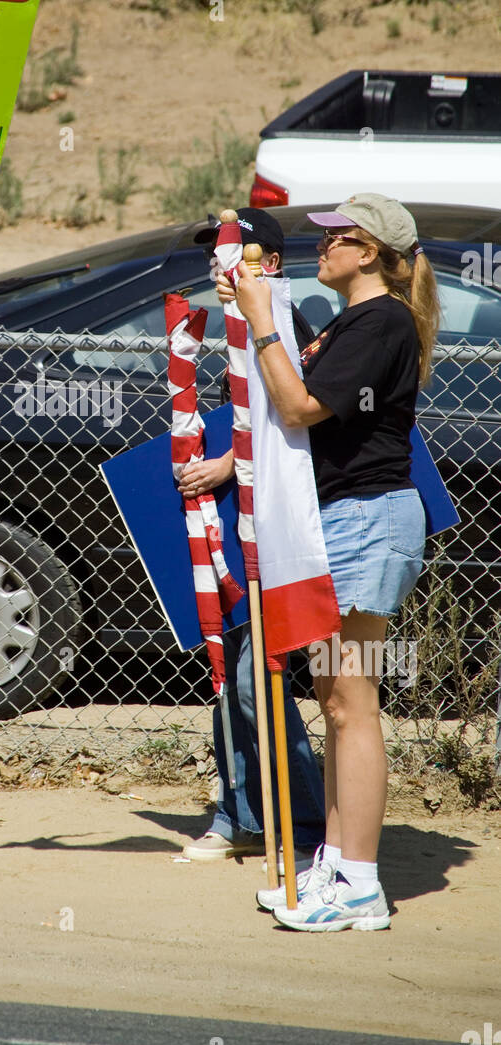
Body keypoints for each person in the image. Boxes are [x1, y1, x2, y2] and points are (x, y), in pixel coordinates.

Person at [217, 193, 440, 931]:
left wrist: (261, 324)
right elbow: (291, 380)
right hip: (344, 520)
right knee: (338, 700)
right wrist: (254, 312)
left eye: (337, 238)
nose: (325, 248)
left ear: (369, 250)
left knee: (353, 702)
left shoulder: (383, 321)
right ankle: (340, 864)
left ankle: (362, 884)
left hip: (368, 520)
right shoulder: (354, 320)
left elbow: (300, 408)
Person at [178, 209, 326, 869]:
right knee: (232, 678)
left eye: (232, 251)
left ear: (268, 263)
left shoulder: (283, 327)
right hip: (237, 535)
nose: (217, 263)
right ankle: (243, 812)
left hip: (281, 536)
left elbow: (298, 432)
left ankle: (307, 819)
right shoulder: (240, 328)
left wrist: (226, 466)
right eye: (212, 252)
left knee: (252, 680)